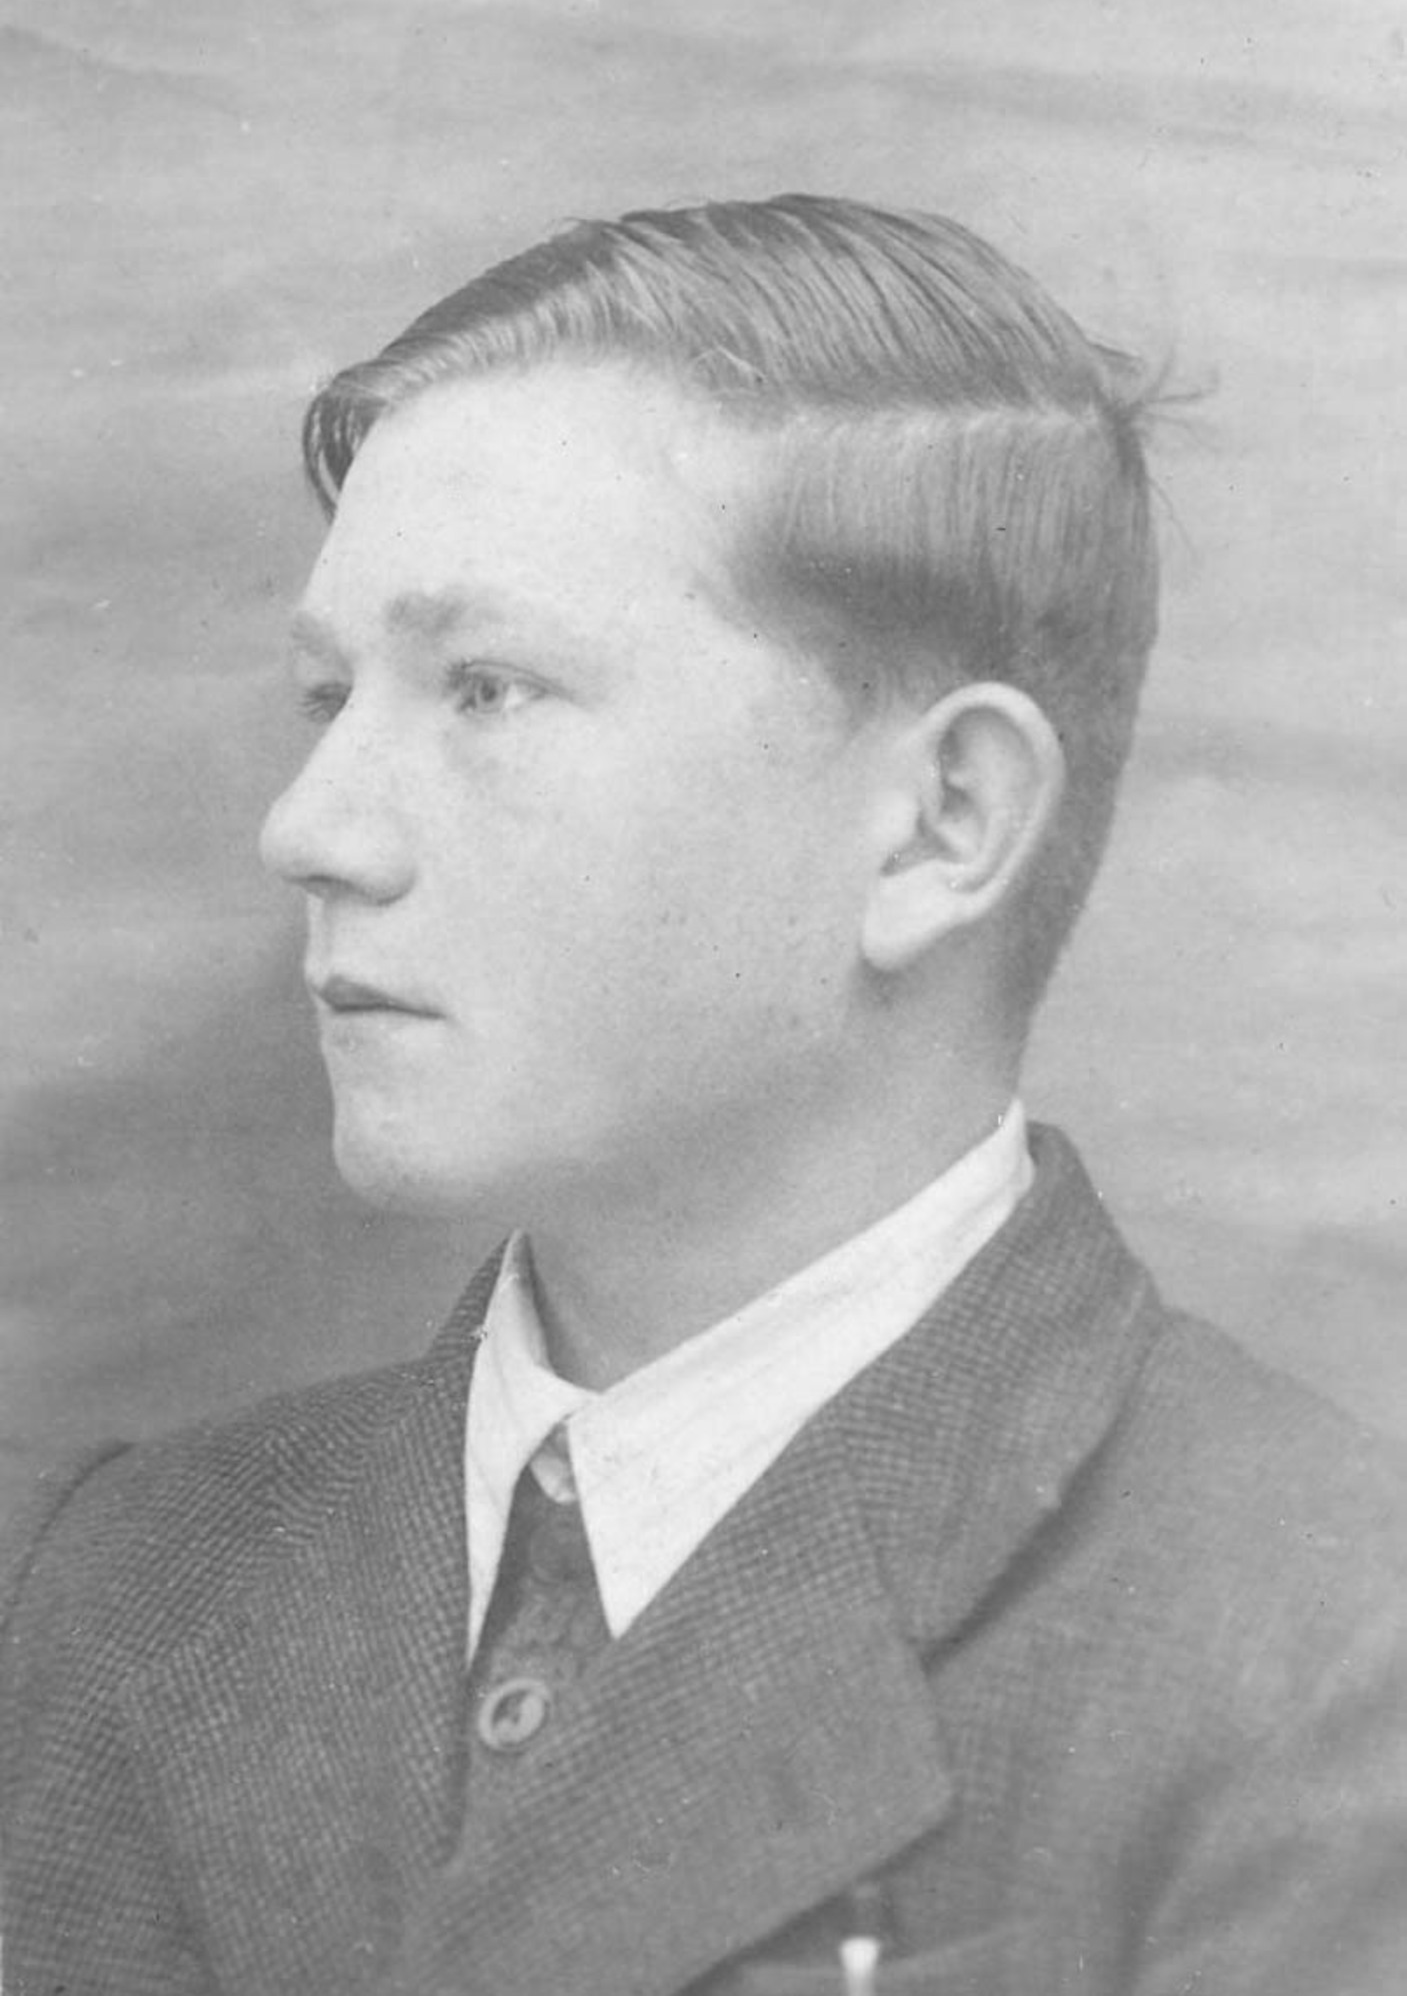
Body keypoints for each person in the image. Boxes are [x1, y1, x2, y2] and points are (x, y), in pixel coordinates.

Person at [1, 195, 1404, 1996]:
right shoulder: (118, 1582)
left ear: (943, 822)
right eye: (328, 696)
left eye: (487, 690)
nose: (311, 828)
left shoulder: (1321, 1658)